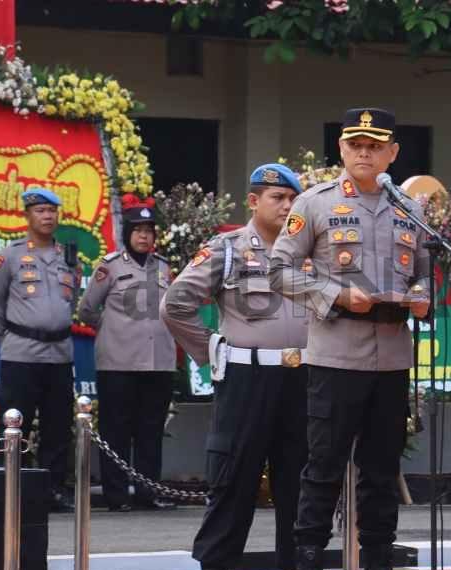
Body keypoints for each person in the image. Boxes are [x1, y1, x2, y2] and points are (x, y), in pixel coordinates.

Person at [268, 108, 430, 570]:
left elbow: (424, 273)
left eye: (374, 146)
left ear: (392, 153)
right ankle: (308, 557)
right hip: (336, 356)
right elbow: (278, 270)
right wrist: (337, 295)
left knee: (382, 470)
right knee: (323, 467)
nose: (364, 153)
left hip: (392, 358)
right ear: (341, 148)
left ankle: (378, 558)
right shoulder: (315, 204)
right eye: (355, 145)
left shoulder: (409, 208)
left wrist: (423, 296)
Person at [161, 164, 308, 570]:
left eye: (293, 199)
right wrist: (213, 351)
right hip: (247, 379)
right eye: (278, 198)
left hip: (304, 380)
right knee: (233, 486)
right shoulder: (227, 249)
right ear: (254, 201)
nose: (287, 206)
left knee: (302, 495)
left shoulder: (309, 251)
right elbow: (174, 305)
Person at [0, 188, 82, 512]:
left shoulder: (68, 256)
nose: (47, 216)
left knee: (58, 427)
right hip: (21, 355)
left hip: (60, 355)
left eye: (52, 211)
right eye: (40, 211)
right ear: (27, 215)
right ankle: (11, 491)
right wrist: (10, 340)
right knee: (16, 426)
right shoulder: (9, 256)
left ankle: (53, 490)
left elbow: (73, 300)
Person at [78, 197, 177, 512]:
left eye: (149, 231)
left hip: (158, 363)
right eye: (138, 230)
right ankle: (117, 495)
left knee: (151, 431)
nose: (144, 236)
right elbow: (87, 309)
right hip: (118, 362)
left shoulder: (163, 267)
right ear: (127, 234)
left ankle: (148, 494)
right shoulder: (110, 267)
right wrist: (112, 329)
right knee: (116, 430)